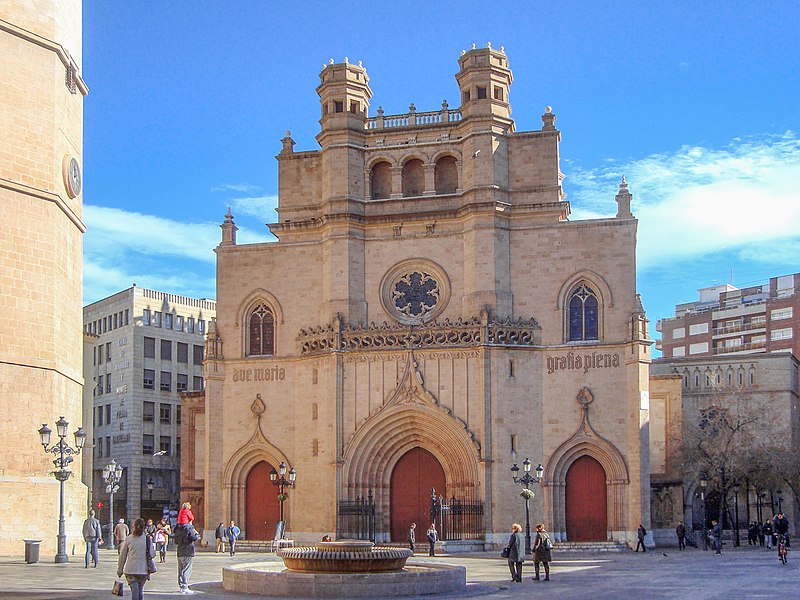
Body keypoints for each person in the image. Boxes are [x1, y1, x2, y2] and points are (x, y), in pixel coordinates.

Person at [117, 517, 154, 600]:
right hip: (143, 570)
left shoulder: (129, 538)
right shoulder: (147, 539)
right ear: (144, 527)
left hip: (130, 570)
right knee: (140, 591)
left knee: (134, 592)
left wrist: (120, 569)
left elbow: (122, 555)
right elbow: (152, 554)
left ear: (134, 526)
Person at [174, 519, 200, 594]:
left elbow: (176, 541)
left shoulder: (178, 528)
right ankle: (185, 586)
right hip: (188, 551)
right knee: (187, 569)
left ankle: (181, 586)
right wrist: (197, 535)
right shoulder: (189, 528)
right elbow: (193, 538)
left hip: (180, 551)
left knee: (181, 569)